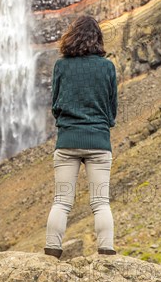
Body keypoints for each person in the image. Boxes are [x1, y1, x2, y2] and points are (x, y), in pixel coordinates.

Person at [44, 15, 118, 260]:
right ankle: (106, 251)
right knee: (100, 202)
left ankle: (52, 251)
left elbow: (55, 105)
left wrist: (69, 124)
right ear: (98, 39)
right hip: (99, 142)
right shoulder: (107, 66)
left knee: (62, 201)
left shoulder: (61, 66)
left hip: (67, 143)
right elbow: (112, 108)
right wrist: (102, 125)